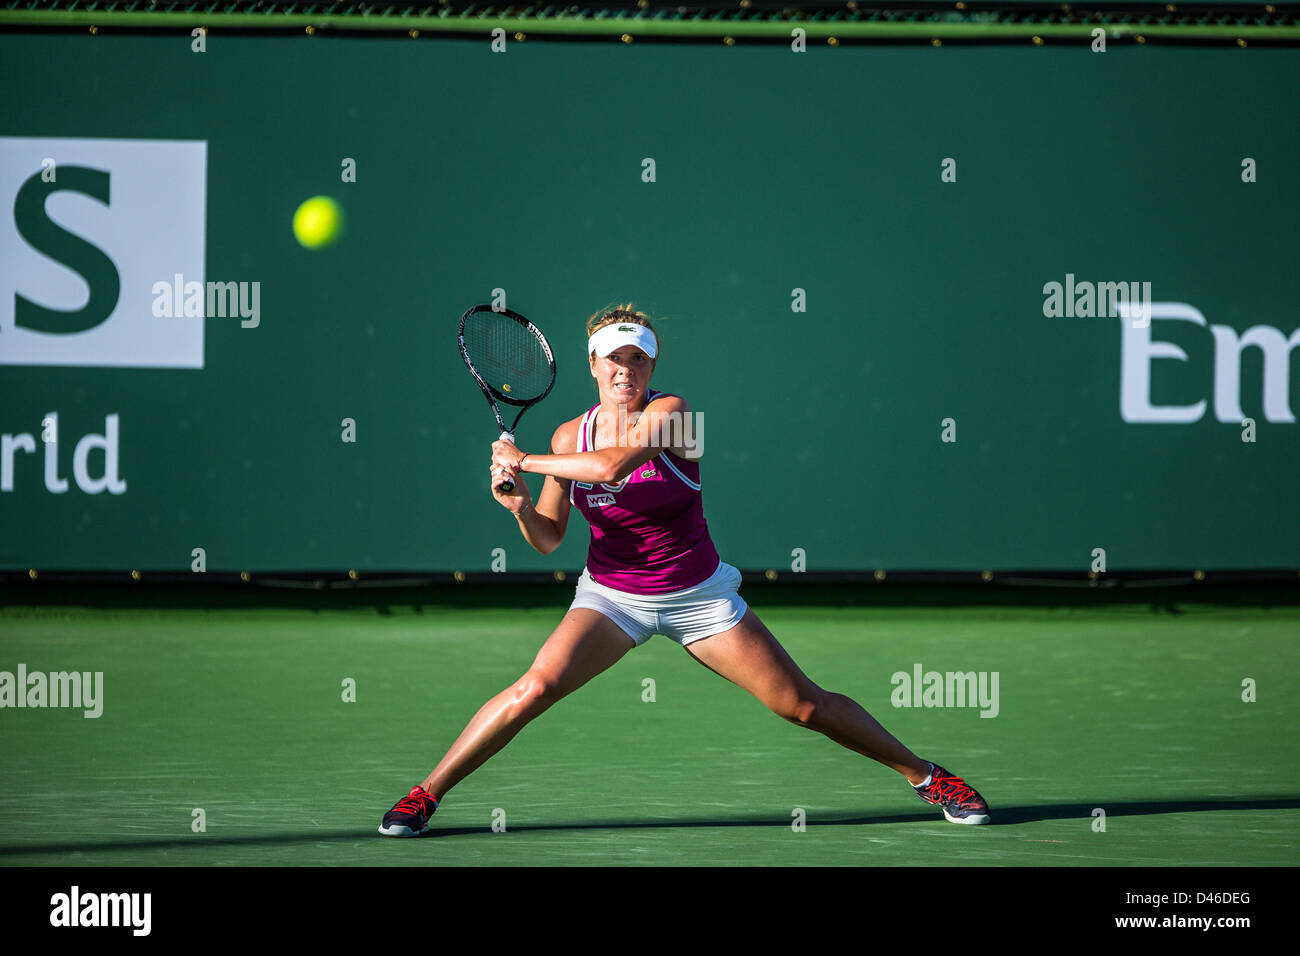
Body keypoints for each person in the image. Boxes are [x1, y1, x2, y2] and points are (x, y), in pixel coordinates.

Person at [379, 304, 990, 837]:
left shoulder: (674, 412)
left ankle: (929, 776)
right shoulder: (568, 435)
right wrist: (517, 507)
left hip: (698, 595)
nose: (626, 371)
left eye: (638, 360)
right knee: (534, 688)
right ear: (591, 364)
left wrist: (526, 460)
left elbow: (615, 466)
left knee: (802, 705)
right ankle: (426, 793)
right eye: (613, 360)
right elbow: (549, 539)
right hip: (611, 597)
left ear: (651, 368)